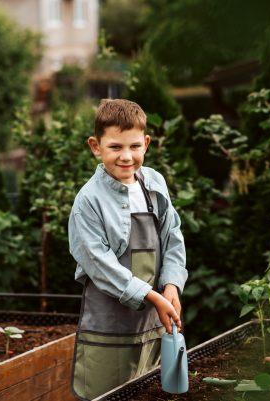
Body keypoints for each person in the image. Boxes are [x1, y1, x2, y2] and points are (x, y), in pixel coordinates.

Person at [68, 99, 188, 400]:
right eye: (115, 147)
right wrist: (153, 297)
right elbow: (100, 265)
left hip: (152, 324)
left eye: (135, 146)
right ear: (96, 146)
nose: (127, 156)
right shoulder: (88, 202)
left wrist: (171, 284)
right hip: (109, 329)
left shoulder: (155, 184)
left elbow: (172, 236)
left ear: (146, 143)